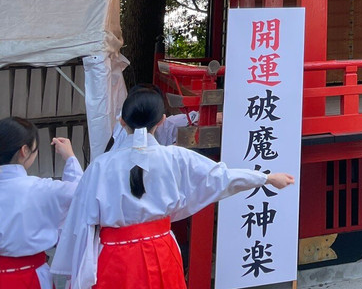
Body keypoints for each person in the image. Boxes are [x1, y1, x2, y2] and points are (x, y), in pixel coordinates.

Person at [52, 88, 294, 289]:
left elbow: (81, 216)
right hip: (161, 251)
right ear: (162, 121)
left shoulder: (100, 166)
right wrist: (266, 178)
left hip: (114, 257)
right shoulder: (175, 157)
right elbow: (221, 177)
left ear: (122, 121)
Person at [0, 118, 82, 289]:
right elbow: (82, 193)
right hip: (29, 276)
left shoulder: (43, 188)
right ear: (24, 151)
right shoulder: (43, 189)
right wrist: (70, 158)